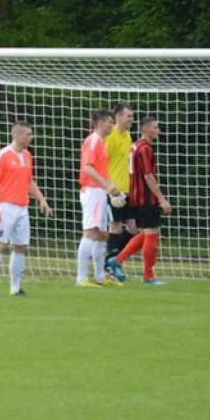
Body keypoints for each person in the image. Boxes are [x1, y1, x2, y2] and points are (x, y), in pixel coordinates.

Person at [0, 121, 53, 297]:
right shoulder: (2, 155)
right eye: (28, 134)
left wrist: (42, 199)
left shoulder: (28, 156)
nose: (31, 137)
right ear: (16, 135)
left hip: (22, 208)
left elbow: (29, 181)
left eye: (31, 134)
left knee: (21, 247)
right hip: (5, 206)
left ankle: (15, 288)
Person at [107, 116, 173, 285]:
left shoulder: (134, 145)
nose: (158, 130)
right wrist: (162, 199)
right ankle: (148, 275)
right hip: (145, 197)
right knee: (152, 233)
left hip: (135, 196)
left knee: (145, 233)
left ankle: (117, 260)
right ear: (146, 129)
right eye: (155, 127)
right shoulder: (145, 149)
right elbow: (148, 176)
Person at [76, 108, 123, 288]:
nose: (112, 125)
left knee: (102, 234)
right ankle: (81, 278)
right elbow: (87, 168)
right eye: (111, 122)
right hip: (93, 191)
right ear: (102, 123)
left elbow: (100, 170)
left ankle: (100, 276)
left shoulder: (100, 142)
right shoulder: (93, 141)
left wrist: (112, 188)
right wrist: (106, 185)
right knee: (90, 231)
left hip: (100, 192)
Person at [105, 102, 138, 272]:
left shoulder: (127, 136)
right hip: (115, 190)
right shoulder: (109, 137)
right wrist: (110, 188)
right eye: (129, 116)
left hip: (129, 189)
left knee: (133, 228)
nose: (132, 119)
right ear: (118, 117)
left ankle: (113, 258)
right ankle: (110, 263)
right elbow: (101, 165)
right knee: (115, 226)